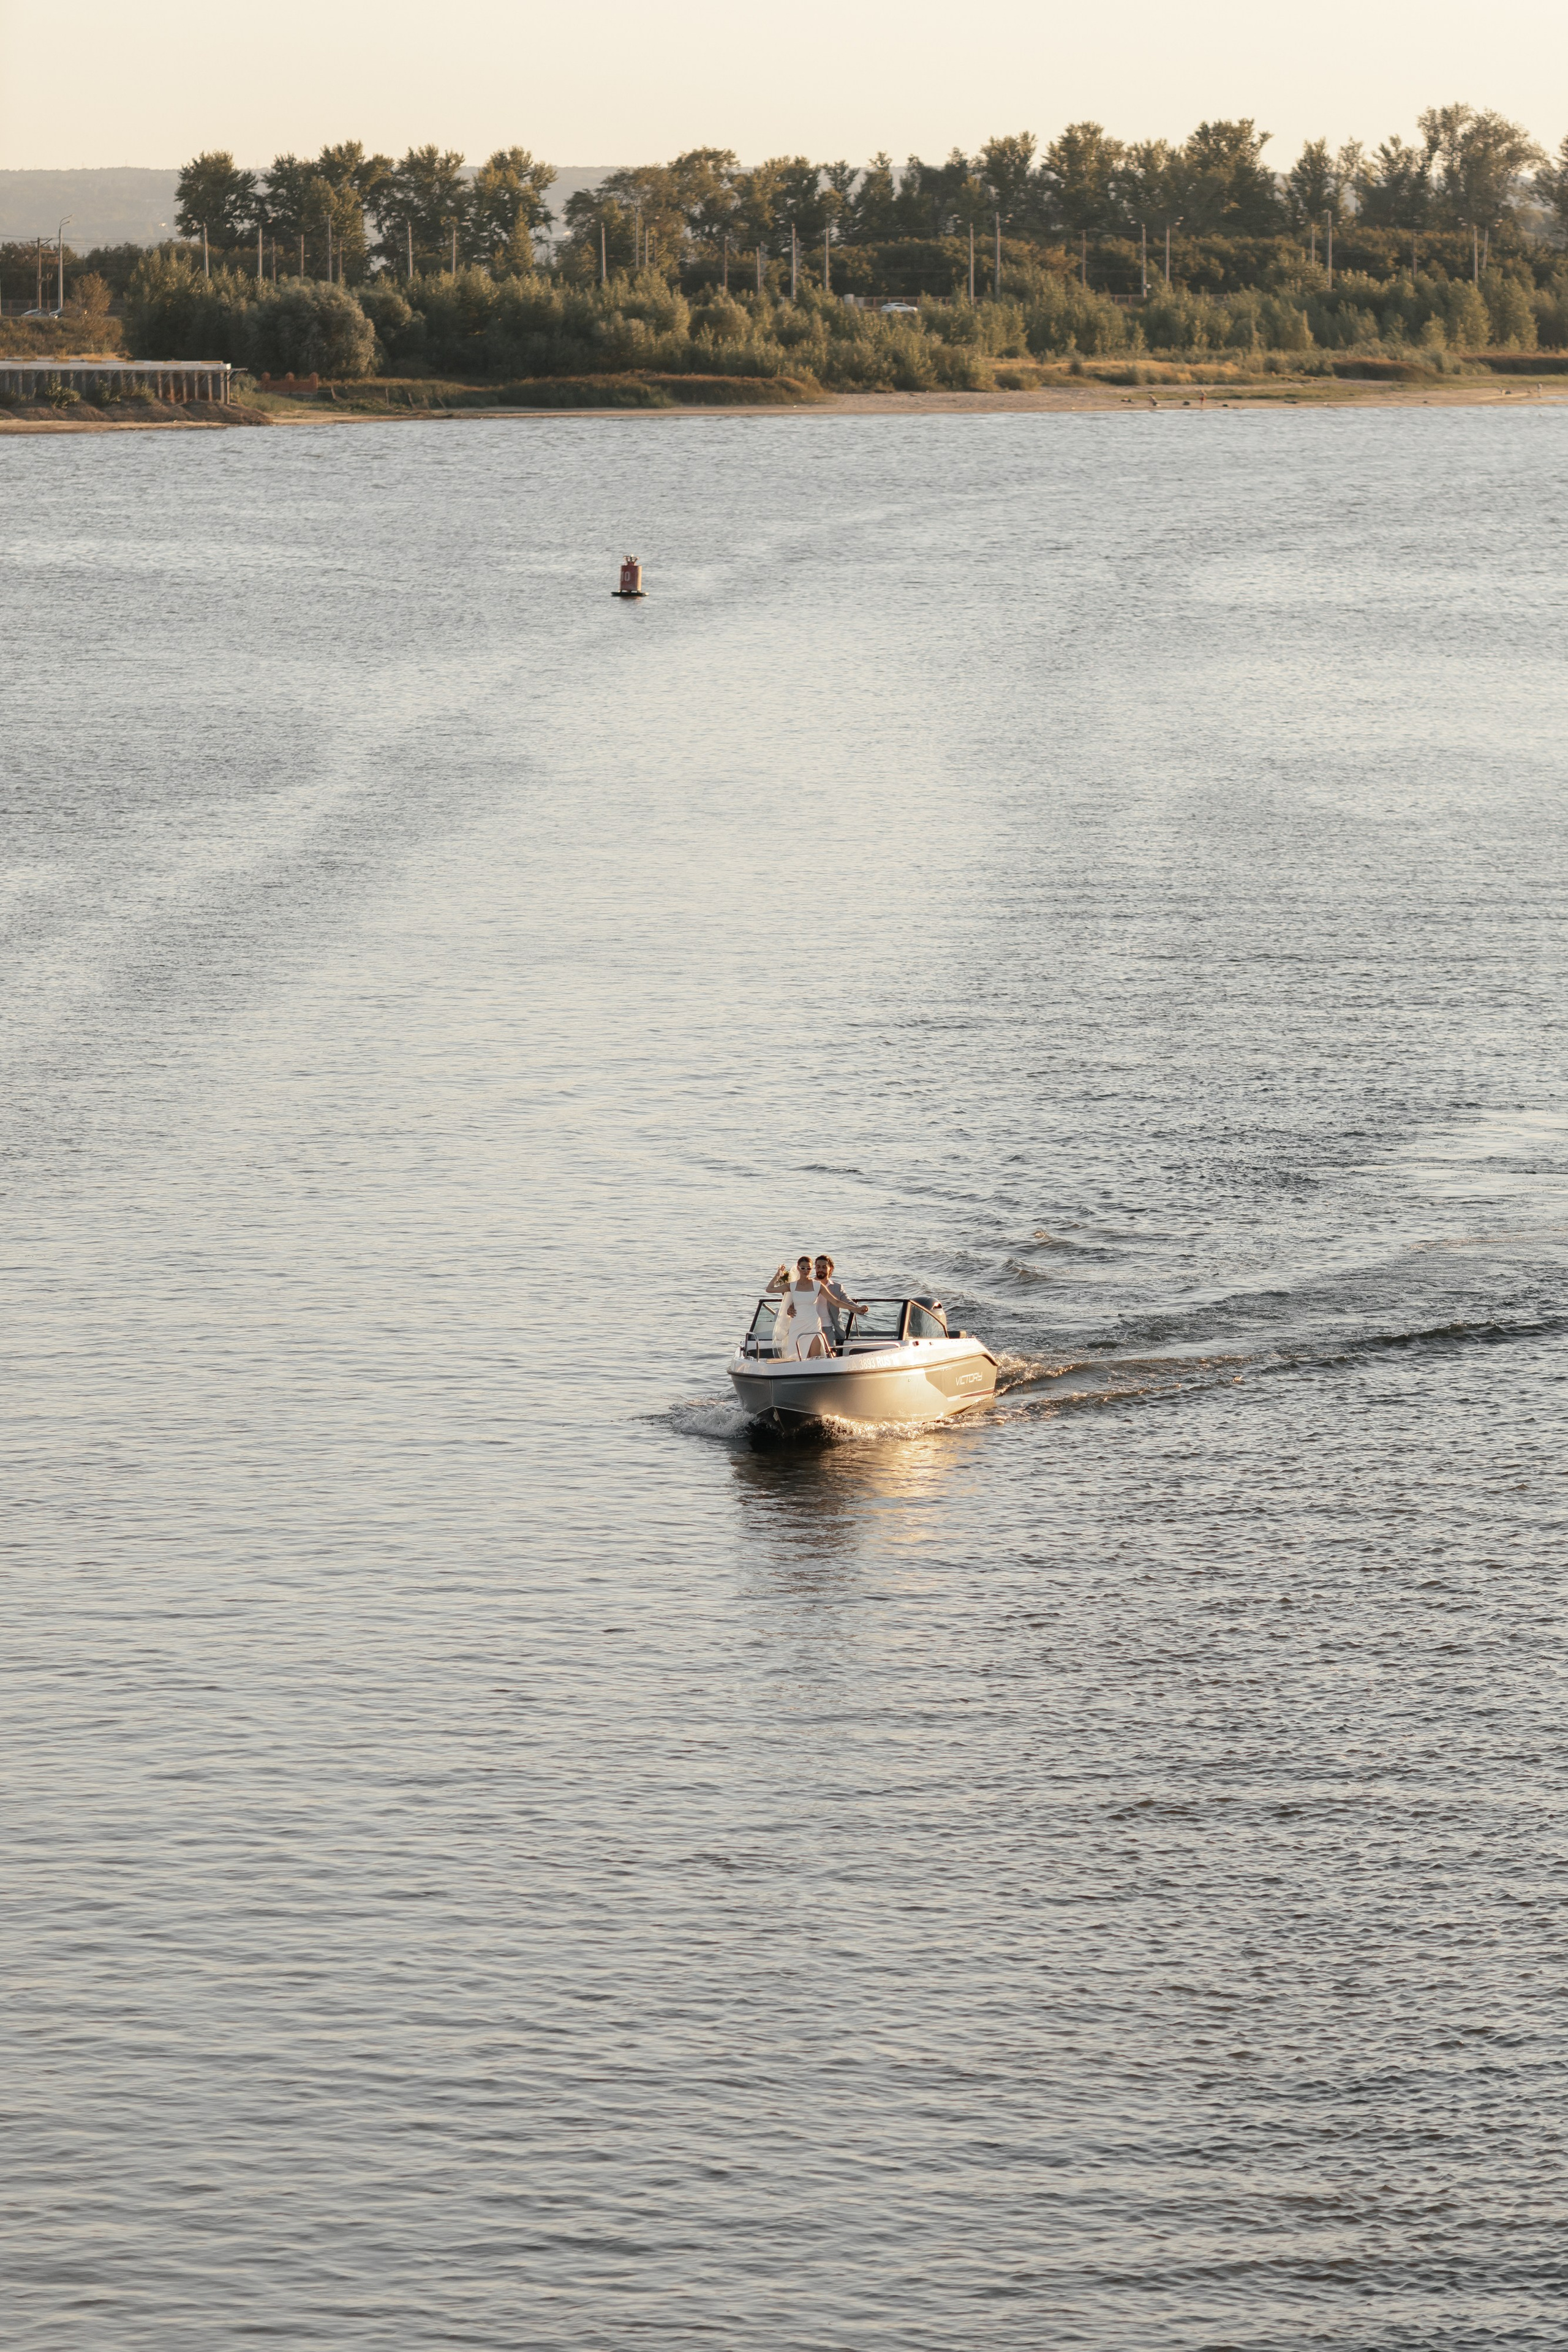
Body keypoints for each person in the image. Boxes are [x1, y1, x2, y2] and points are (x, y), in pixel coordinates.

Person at [766, 1255, 831, 1360]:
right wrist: (778, 1275)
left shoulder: (817, 1285)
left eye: (808, 1268)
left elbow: (836, 1302)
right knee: (796, 1357)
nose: (806, 1271)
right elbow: (769, 1289)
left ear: (812, 1269)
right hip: (797, 1324)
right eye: (803, 1268)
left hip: (813, 1323)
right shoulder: (792, 1286)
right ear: (798, 1268)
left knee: (815, 1358)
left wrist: (855, 1309)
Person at [813, 1256, 863, 1351]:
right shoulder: (808, 1285)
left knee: (830, 1353)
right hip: (810, 1326)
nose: (820, 1270)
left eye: (824, 1267)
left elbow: (847, 1302)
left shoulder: (837, 1287)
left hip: (828, 1326)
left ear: (831, 1269)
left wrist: (859, 1309)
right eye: (818, 1267)